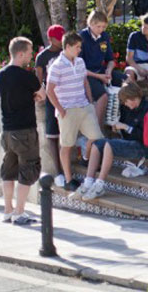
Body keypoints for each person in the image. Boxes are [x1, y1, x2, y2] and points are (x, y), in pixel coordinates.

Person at [69, 81, 148, 201]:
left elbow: (144, 136)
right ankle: (88, 183)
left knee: (109, 145)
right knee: (97, 144)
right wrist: (118, 128)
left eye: (126, 101)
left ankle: (100, 185)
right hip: (129, 143)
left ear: (134, 98)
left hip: (143, 146)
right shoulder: (127, 108)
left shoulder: (147, 110)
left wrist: (126, 127)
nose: (125, 104)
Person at [46, 31, 103, 191]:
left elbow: (85, 81)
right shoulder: (56, 66)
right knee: (67, 145)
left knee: (96, 138)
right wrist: (60, 110)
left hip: (84, 107)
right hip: (68, 110)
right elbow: (50, 90)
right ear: (68, 47)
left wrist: (90, 101)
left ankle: (86, 157)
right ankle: (69, 180)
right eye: (77, 47)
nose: (79, 50)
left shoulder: (80, 62)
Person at [0, 37, 45, 225]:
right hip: (25, 130)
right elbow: (42, 94)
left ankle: (8, 210)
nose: (31, 55)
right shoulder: (27, 76)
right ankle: (19, 211)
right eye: (29, 52)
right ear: (20, 53)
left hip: (7, 131)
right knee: (28, 168)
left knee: (8, 170)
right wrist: (33, 96)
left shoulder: (2, 74)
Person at [35, 24, 65, 187]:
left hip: (67, 97)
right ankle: (58, 172)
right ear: (50, 39)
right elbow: (39, 79)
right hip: (52, 99)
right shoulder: (43, 56)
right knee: (52, 135)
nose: (61, 42)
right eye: (58, 39)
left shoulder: (65, 53)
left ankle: (66, 170)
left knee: (66, 135)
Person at [79, 10, 114, 123]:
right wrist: (99, 77)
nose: (101, 29)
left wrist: (109, 70)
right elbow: (79, 67)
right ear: (91, 24)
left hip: (102, 71)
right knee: (103, 97)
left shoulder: (104, 36)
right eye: (98, 26)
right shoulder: (82, 37)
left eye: (104, 26)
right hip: (88, 74)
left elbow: (111, 60)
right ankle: (97, 130)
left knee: (127, 80)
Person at [125, 13, 148, 82]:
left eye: (146, 27)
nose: (143, 28)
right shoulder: (135, 36)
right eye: (142, 25)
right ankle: (129, 92)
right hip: (137, 66)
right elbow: (129, 59)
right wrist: (139, 69)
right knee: (129, 72)